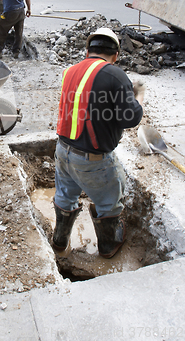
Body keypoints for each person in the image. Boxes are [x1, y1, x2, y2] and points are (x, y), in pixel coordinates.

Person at [53, 27, 145, 259]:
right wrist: (137, 98)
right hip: (93, 159)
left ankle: (59, 241)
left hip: (63, 151)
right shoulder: (115, 75)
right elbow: (130, 118)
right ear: (116, 55)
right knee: (110, 202)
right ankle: (107, 246)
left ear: (88, 51)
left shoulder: (70, 71)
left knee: (65, 196)